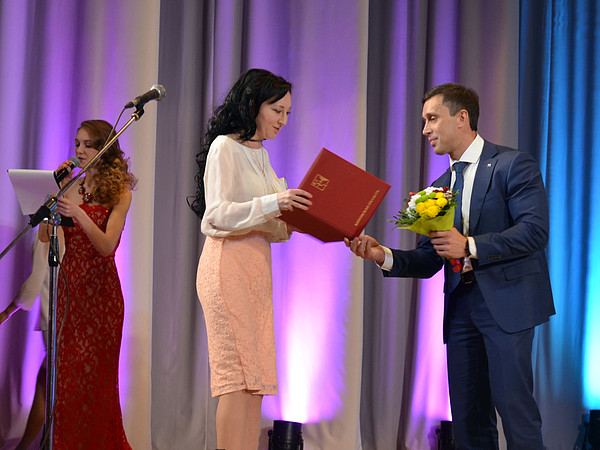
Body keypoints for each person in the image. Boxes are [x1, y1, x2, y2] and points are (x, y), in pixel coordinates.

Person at [347, 83, 555, 449]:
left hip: (507, 304)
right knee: (468, 419)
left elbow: (534, 232)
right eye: (424, 121)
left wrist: (470, 246)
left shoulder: (511, 164)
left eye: (432, 119)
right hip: (461, 309)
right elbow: (429, 259)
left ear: (462, 118)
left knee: (515, 412)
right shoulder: (437, 189)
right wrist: (381, 254)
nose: (425, 129)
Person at [189, 68, 312, 450]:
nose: (283, 120)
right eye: (277, 110)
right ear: (254, 105)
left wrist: (304, 220)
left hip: (257, 269)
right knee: (236, 378)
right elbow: (216, 216)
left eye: (288, 112)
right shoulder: (225, 147)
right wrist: (276, 201)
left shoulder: (263, 154)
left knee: (254, 381)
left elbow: (269, 224)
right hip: (226, 265)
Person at [38, 119, 136, 448]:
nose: (79, 150)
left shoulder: (120, 192)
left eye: (87, 144)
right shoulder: (70, 187)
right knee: (66, 382)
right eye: (77, 143)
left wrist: (78, 213)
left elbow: (107, 246)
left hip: (102, 298)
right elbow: (45, 236)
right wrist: (51, 202)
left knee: (97, 383)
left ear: (104, 148)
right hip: (70, 292)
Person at [0, 231, 63, 449]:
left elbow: (36, 281)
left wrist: (7, 312)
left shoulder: (48, 228)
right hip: (68, 319)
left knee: (49, 384)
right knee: (47, 382)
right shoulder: (69, 227)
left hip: (56, 320)